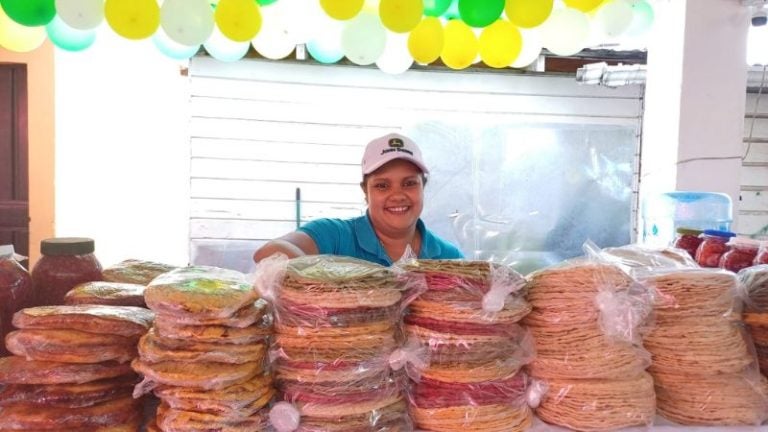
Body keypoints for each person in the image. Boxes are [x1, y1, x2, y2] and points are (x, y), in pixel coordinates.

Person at [253, 132, 464, 266]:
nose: (398, 195)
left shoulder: (447, 257)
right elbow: (269, 253)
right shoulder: (334, 235)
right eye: (382, 185)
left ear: (423, 186)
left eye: (409, 183)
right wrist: (339, 282)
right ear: (366, 191)